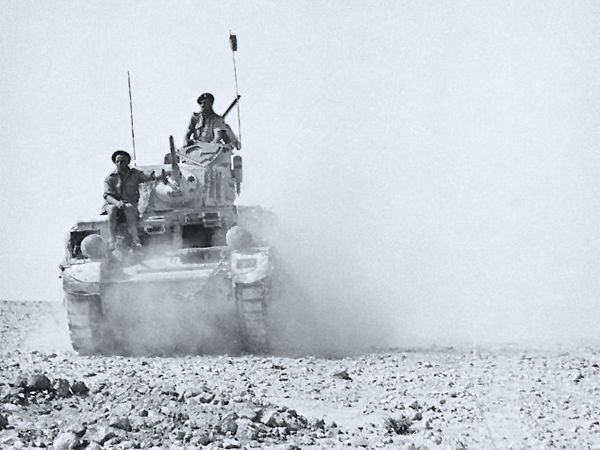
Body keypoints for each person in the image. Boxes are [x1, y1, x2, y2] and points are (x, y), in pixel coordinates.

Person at [103, 150, 153, 249]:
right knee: (112, 210)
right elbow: (107, 195)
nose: (119, 164)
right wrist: (117, 203)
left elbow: (147, 178)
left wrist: (156, 176)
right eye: (117, 161)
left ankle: (136, 240)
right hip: (113, 204)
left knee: (129, 207)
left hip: (130, 205)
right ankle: (111, 240)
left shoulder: (135, 174)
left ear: (127, 162)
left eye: (122, 161)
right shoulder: (110, 178)